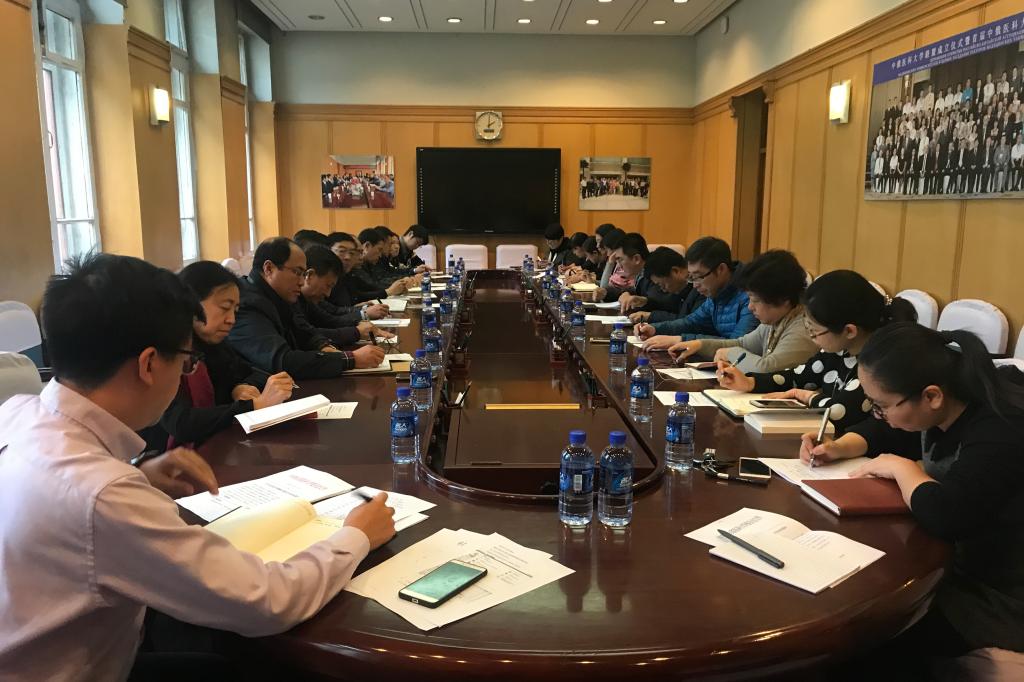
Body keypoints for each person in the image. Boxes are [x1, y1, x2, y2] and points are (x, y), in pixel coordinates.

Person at [0, 253, 396, 681]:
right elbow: (267, 602)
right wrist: (356, 535)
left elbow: (66, 509)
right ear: (149, 364)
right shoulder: (102, 494)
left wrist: (141, 476)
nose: (185, 372)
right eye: (186, 361)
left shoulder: (17, 413)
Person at [800, 324, 1024, 672]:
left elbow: (949, 515)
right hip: (957, 565)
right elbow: (888, 430)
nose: (880, 414)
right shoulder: (949, 400)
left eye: (881, 405)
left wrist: (903, 469)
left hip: (1000, 594)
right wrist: (839, 447)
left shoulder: (1002, 424)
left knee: (862, 633)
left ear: (931, 396)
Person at [717, 270, 917, 434]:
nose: (811, 336)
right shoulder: (838, 350)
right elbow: (798, 376)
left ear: (849, 331)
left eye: (814, 331)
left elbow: (839, 412)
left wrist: (803, 395)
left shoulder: (879, 364)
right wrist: (750, 382)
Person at [139, 261, 294, 452]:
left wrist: (239, 388)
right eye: (224, 308)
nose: (232, 320)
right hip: (167, 459)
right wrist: (252, 405)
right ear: (192, 303)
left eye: (235, 311)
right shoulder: (167, 352)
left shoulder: (215, 345)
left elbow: (248, 372)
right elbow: (181, 423)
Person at [228, 237, 386, 379]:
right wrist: (350, 359)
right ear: (269, 269)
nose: (302, 282)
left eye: (303, 274)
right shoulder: (247, 304)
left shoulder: (278, 295)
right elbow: (283, 361)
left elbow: (303, 331)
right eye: (297, 272)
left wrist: (324, 347)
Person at [663, 249, 817, 373]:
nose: (750, 307)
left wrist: (730, 353)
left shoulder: (804, 327)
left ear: (783, 299)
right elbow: (743, 343)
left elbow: (767, 368)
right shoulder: (776, 320)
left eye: (755, 300)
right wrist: (699, 345)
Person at [637, 237, 756, 346]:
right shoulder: (716, 293)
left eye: (698, 277)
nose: (695, 285)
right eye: (691, 278)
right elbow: (691, 323)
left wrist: (681, 340)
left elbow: (737, 344)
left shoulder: (750, 296)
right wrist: (654, 328)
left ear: (721, 269)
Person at [295, 245, 394, 349]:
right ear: (309, 275)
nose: (328, 294)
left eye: (352, 253)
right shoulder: (292, 300)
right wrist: (357, 331)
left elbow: (330, 320)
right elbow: (306, 335)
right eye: (296, 272)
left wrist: (360, 324)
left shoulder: (307, 299)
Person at [593, 233, 681, 315]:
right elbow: (635, 292)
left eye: (620, 259)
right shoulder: (641, 274)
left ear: (636, 259)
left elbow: (657, 302)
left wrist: (641, 301)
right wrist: (606, 293)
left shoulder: (655, 272)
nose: (619, 265)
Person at [626, 246, 703, 326]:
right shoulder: (681, 288)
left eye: (661, 284)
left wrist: (651, 316)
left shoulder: (700, 289)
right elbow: (667, 305)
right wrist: (645, 302)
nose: (663, 289)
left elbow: (689, 323)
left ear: (675, 271)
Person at [326, 231, 398, 314]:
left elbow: (355, 298)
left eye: (352, 253)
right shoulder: (324, 276)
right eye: (342, 251)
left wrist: (358, 308)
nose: (348, 257)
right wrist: (361, 312)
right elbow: (329, 315)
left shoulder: (346, 274)